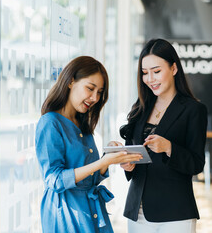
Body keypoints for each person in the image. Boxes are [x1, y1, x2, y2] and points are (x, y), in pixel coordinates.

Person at [35, 56, 142, 233]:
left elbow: (91, 178)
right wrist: (103, 163)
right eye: (90, 88)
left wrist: (108, 158)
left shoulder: (82, 123)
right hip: (67, 214)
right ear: (70, 81)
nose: (94, 98)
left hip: (90, 210)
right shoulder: (50, 123)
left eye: (99, 92)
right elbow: (53, 180)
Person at [119, 39, 208, 233]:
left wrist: (169, 148)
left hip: (175, 213)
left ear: (174, 68)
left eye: (156, 71)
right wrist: (128, 164)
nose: (150, 78)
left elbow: (197, 164)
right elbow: (132, 155)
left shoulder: (194, 110)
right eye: (144, 73)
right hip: (138, 212)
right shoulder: (140, 108)